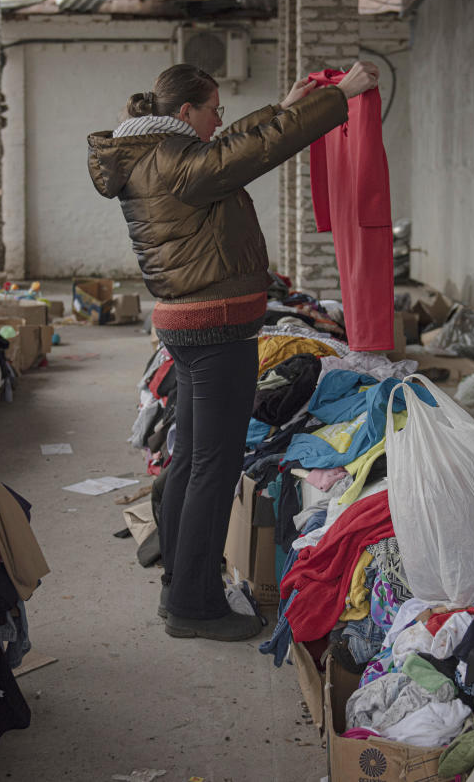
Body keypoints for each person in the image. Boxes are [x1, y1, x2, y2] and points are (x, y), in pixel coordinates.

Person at [87, 60, 380, 641]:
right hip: (216, 330)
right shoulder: (178, 163)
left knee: (193, 460)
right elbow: (253, 151)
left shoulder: (159, 155)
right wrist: (334, 101)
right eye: (213, 107)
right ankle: (193, 606)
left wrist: (289, 103)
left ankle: (181, 580)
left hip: (191, 327)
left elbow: (232, 145)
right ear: (184, 113)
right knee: (212, 471)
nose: (219, 117)